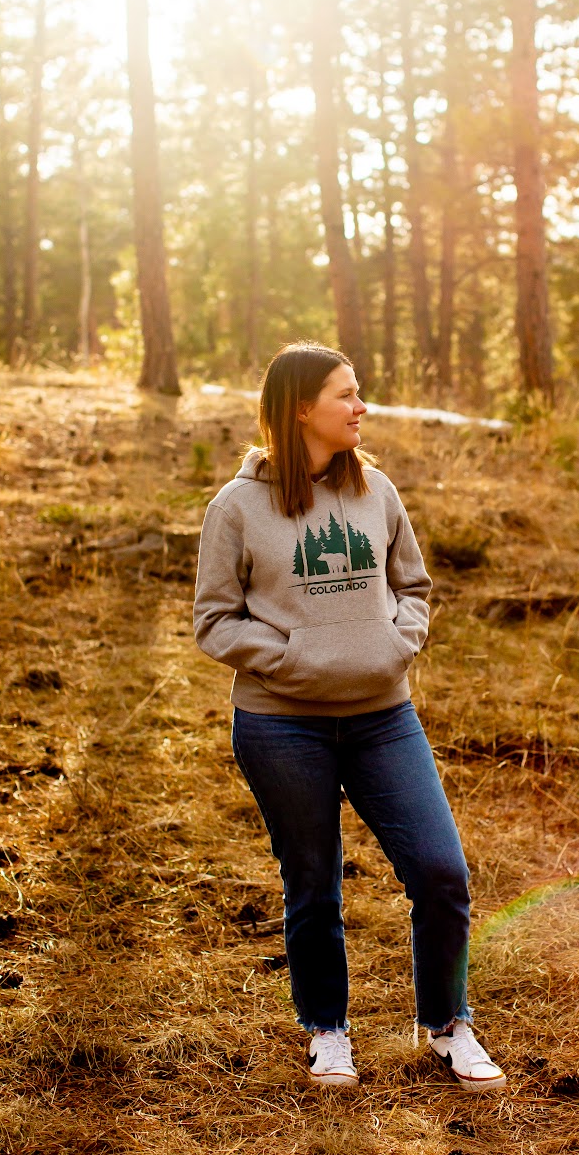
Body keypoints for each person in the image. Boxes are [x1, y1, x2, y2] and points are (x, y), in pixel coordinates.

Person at [193, 341, 505, 1092]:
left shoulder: (377, 490)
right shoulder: (235, 507)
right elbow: (213, 621)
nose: (362, 406)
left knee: (440, 871)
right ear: (303, 407)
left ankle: (446, 1023)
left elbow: (414, 587)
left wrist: (391, 646)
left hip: (381, 717)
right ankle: (327, 1032)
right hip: (280, 725)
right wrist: (295, 657)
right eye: (347, 394)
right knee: (313, 883)